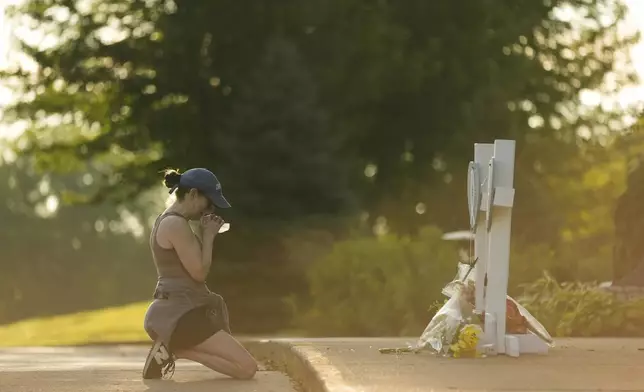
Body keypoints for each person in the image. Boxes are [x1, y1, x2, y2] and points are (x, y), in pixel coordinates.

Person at [141, 167, 258, 380]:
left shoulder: (170, 220)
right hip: (179, 316)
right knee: (247, 368)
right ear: (193, 194)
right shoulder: (175, 224)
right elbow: (199, 273)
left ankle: (170, 350)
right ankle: (174, 350)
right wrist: (209, 235)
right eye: (209, 202)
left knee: (244, 367)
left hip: (178, 312)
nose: (209, 209)